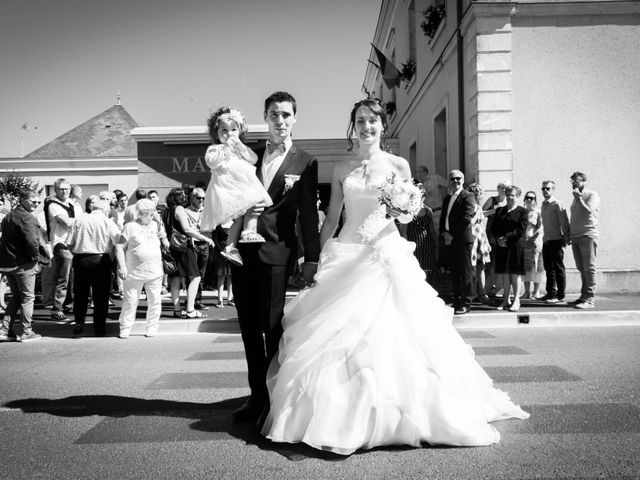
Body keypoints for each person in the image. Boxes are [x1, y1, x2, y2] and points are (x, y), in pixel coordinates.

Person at [261, 98, 528, 455]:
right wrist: (317, 257)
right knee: (340, 334)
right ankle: (345, 408)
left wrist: (403, 214)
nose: (366, 127)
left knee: (399, 334)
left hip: (386, 254)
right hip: (348, 251)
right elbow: (333, 217)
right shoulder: (341, 167)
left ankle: (404, 408)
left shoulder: (398, 164)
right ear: (352, 126)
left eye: (372, 121)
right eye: (360, 121)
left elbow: (408, 217)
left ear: (382, 126)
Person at [231, 91, 321, 422]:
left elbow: (308, 214)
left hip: (277, 252)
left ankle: (275, 396)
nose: (279, 120)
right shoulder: (248, 156)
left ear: (294, 118)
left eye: (285, 114)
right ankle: (257, 396)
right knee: (248, 327)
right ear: (265, 118)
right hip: (242, 251)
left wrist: (312, 257)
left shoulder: (305, 161)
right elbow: (228, 197)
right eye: (273, 115)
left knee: (272, 326)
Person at [200, 107, 273, 265]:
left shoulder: (240, 148)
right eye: (224, 130)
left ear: (240, 131)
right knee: (242, 213)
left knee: (254, 204)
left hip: (242, 187)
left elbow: (253, 159)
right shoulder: (215, 148)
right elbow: (211, 161)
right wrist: (226, 149)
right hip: (226, 188)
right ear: (216, 133)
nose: (229, 133)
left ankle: (246, 233)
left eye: (233, 129)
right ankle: (233, 243)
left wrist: (240, 146)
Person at [65, 199, 120, 336]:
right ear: (105, 210)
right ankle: (99, 328)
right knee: (101, 295)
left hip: (81, 258)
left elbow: (69, 243)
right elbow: (118, 241)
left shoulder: (79, 220)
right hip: (101, 259)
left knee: (80, 293)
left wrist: (77, 253)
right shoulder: (108, 222)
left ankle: (79, 322)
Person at [116, 199, 166, 338]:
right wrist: (122, 266)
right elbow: (119, 247)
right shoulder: (130, 226)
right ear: (139, 213)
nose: (149, 216)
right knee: (130, 301)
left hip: (155, 270)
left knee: (155, 300)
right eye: (146, 213)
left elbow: (164, 239)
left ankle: (152, 326)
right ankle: (125, 327)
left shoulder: (157, 225)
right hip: (133, 271)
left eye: (151, 213)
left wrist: (164, 238)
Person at [0, 189, 43, 342]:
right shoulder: (27, 218)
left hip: (8, 263)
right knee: (27, 297)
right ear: (23, 200)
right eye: (33, 201)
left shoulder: (8, 216)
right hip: (23, 263)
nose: (36, 204)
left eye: (38, 202)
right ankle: (26, 331)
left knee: (17, 297)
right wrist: (36, 259)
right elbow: (33, 242)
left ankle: (5, 330)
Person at [164, 187, 215, 319]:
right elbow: (186, 228)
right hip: (184, 247)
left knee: (175, 278)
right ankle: (190, 309)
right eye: (183, 195)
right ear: (179, 197)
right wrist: (204, 238)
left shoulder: (167, 211)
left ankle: (177, 309)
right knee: (195, 277)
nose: (185, 197)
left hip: (173, 247)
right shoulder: (179, 209)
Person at [440, 169, 476, 315]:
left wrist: (451, 235)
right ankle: (456, 301)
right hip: (450, 240)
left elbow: (466, 218)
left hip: (462, 240)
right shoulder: (447, 199)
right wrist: (444, 233)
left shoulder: (468, 196)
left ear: (463, 180)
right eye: (452, 179)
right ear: (448, 181)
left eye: (458, 179)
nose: (455, 181)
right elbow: (443, 218)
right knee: (454, 272)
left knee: (465, 272)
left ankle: (466, 303)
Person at [43, 178, 76, 322]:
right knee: (63, 278)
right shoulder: (52, 205)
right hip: (60, 244)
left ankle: (66, 305)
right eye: (62, 189)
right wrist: (78, 221)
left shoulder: (71, 203)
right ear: (56, 190)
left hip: (72, 244)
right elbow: (67, 222)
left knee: (71, 279)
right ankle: (56, 309)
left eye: (67, 189)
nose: (65, 191)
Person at [491, 186, 528, 312]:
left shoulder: (523, 211)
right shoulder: (499, 210)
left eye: (512, 195)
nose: (510, 197)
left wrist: (506, 238)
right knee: (505, 274)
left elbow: (520, 230)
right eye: (508, 195)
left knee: (514, 273)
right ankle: (506, 299)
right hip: (502, 246)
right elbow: (494, 227)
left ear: (517, 196)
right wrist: (498, 239)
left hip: (516, 245)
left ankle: (516, 300)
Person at [569, 171, 601, 309]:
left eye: (578, 180)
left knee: (589, 268)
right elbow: (576, 217)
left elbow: (589, 211)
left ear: (584, 181)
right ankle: (583, 296)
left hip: (588, 235)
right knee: (581, 268)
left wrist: (580, 198)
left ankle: (589, 299)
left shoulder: (592, 195)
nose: (575, 183)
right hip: (576, 236)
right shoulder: (575, 198)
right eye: (573, 181)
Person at [539, 180, 570, 303]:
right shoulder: (543, 205)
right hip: (546, 240)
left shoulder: (557, 204)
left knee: (558, 268)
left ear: (553, 190)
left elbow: (565, 223)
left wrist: (566, 237)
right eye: (543, 189)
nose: (545, 191)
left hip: (556, 240)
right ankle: (550, 293)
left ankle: (560, 295)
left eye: (548, 188)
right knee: (548, 268)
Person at [482, 180, 510, 297]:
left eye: (505, 188)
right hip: (492, 234)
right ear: (497, 189)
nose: (503, 190)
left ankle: (504, 289)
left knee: (504, 261)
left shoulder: (510, 200)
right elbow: (481, 213)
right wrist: (494, 210)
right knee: (492, 261)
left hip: (506, 234)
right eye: (501, 187)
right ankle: (492, 286)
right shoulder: (492, 200)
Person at [467, 183, 491, 303]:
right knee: (472, 268)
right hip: (472, 238)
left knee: (481, 267)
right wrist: (478, 212)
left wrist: (487, 241)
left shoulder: (479, 207)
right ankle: (472, 293)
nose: (479, 196)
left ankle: (482, 293)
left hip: (480, 239)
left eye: (480, 193)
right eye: (476, 193)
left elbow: (481, 225)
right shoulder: (469, 206)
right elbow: (471, 222)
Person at [406, 195, 437, 282]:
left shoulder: (428, 210)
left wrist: (436, 246)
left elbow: (432, 229)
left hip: (427, 244)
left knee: (427, 270)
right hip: (413, 244)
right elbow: (404, 230)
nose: (421, 197)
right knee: (415, 270)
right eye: (420, 195)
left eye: (423, 195)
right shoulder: (409, 211)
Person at [522, 191, 544, 299]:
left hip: (535, 244)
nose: (529, 200)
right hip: (524, 244)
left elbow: (540, 229)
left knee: (536, 268)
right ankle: (526, 292)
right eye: (527, 197)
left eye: (532, 198)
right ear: (524, 199)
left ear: (535, 200)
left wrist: (531, 239)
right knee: (526, 269)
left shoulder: (538, 212)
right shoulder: (522, 212)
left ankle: (536, 292)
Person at [211, 222, 234, 308]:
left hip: (232, 252)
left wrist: (231, 250)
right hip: (220, 253)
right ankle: (220, 300)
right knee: (221, 275)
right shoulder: (218, 225)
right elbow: (215, 240)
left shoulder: (234, 223)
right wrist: (222, 251)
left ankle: (229, 298)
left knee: (230, 276)